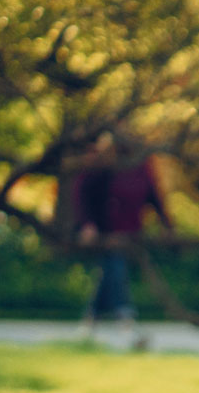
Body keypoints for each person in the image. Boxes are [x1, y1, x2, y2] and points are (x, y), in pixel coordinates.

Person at [73, 135, 171, 351]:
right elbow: (83, 193)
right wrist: (87, 224)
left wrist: (166, 223)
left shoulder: (141, 167)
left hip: (131, 231)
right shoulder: (104, 166)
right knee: (115, 267)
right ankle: (125, 320)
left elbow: (153, 195)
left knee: (110, 271)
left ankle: (90, 321)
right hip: (107, 231)